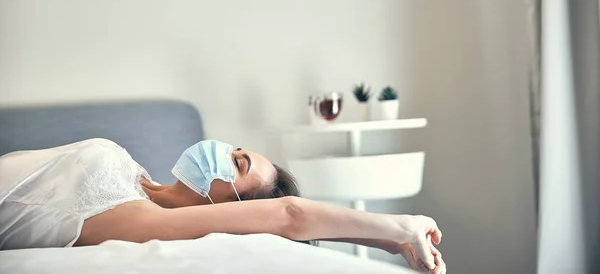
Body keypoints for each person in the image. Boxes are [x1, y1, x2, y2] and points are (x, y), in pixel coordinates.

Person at [0, 138, 446, 273]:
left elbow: (288, 214)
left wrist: (398, 227)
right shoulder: (134, 180)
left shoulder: (134, 220)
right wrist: (384, 242)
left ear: (232, 205)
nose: (220, 149)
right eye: (235, 149)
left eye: (237, 163)